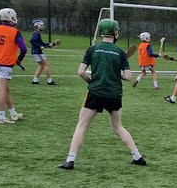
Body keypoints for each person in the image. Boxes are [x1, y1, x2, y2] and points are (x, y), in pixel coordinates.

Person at [57, 18, 146, 169]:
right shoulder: (120, 52)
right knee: (118, 127)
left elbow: (81, 72)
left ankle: (70, 160)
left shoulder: (92, 49)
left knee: (82, 125)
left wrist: (91, 81)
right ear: (115, 33)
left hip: (95, 92)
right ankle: (137, 156)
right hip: (114, 94)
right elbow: (128, 77)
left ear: (101, 32)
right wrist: (115, 74)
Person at [0, 7, 27, 125]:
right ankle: (0, 116)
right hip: (5, 64)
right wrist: (19, 60)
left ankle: (13, 114)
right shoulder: (15, 32)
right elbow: (23, 49)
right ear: (10, 17)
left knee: (5, 88)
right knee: (2, 89)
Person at [28, 19, 59, 85]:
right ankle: (49, 81)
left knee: (42, 66)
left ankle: (35, 80)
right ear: (37, 26)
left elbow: (42, 43)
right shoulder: (36, 33)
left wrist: (52, 44)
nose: (42, 26)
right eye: (41, 25)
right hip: (37, 52)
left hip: (37, 52)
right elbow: (31, 41)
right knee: (46, 64)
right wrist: (39, 47)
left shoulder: (37, 33)